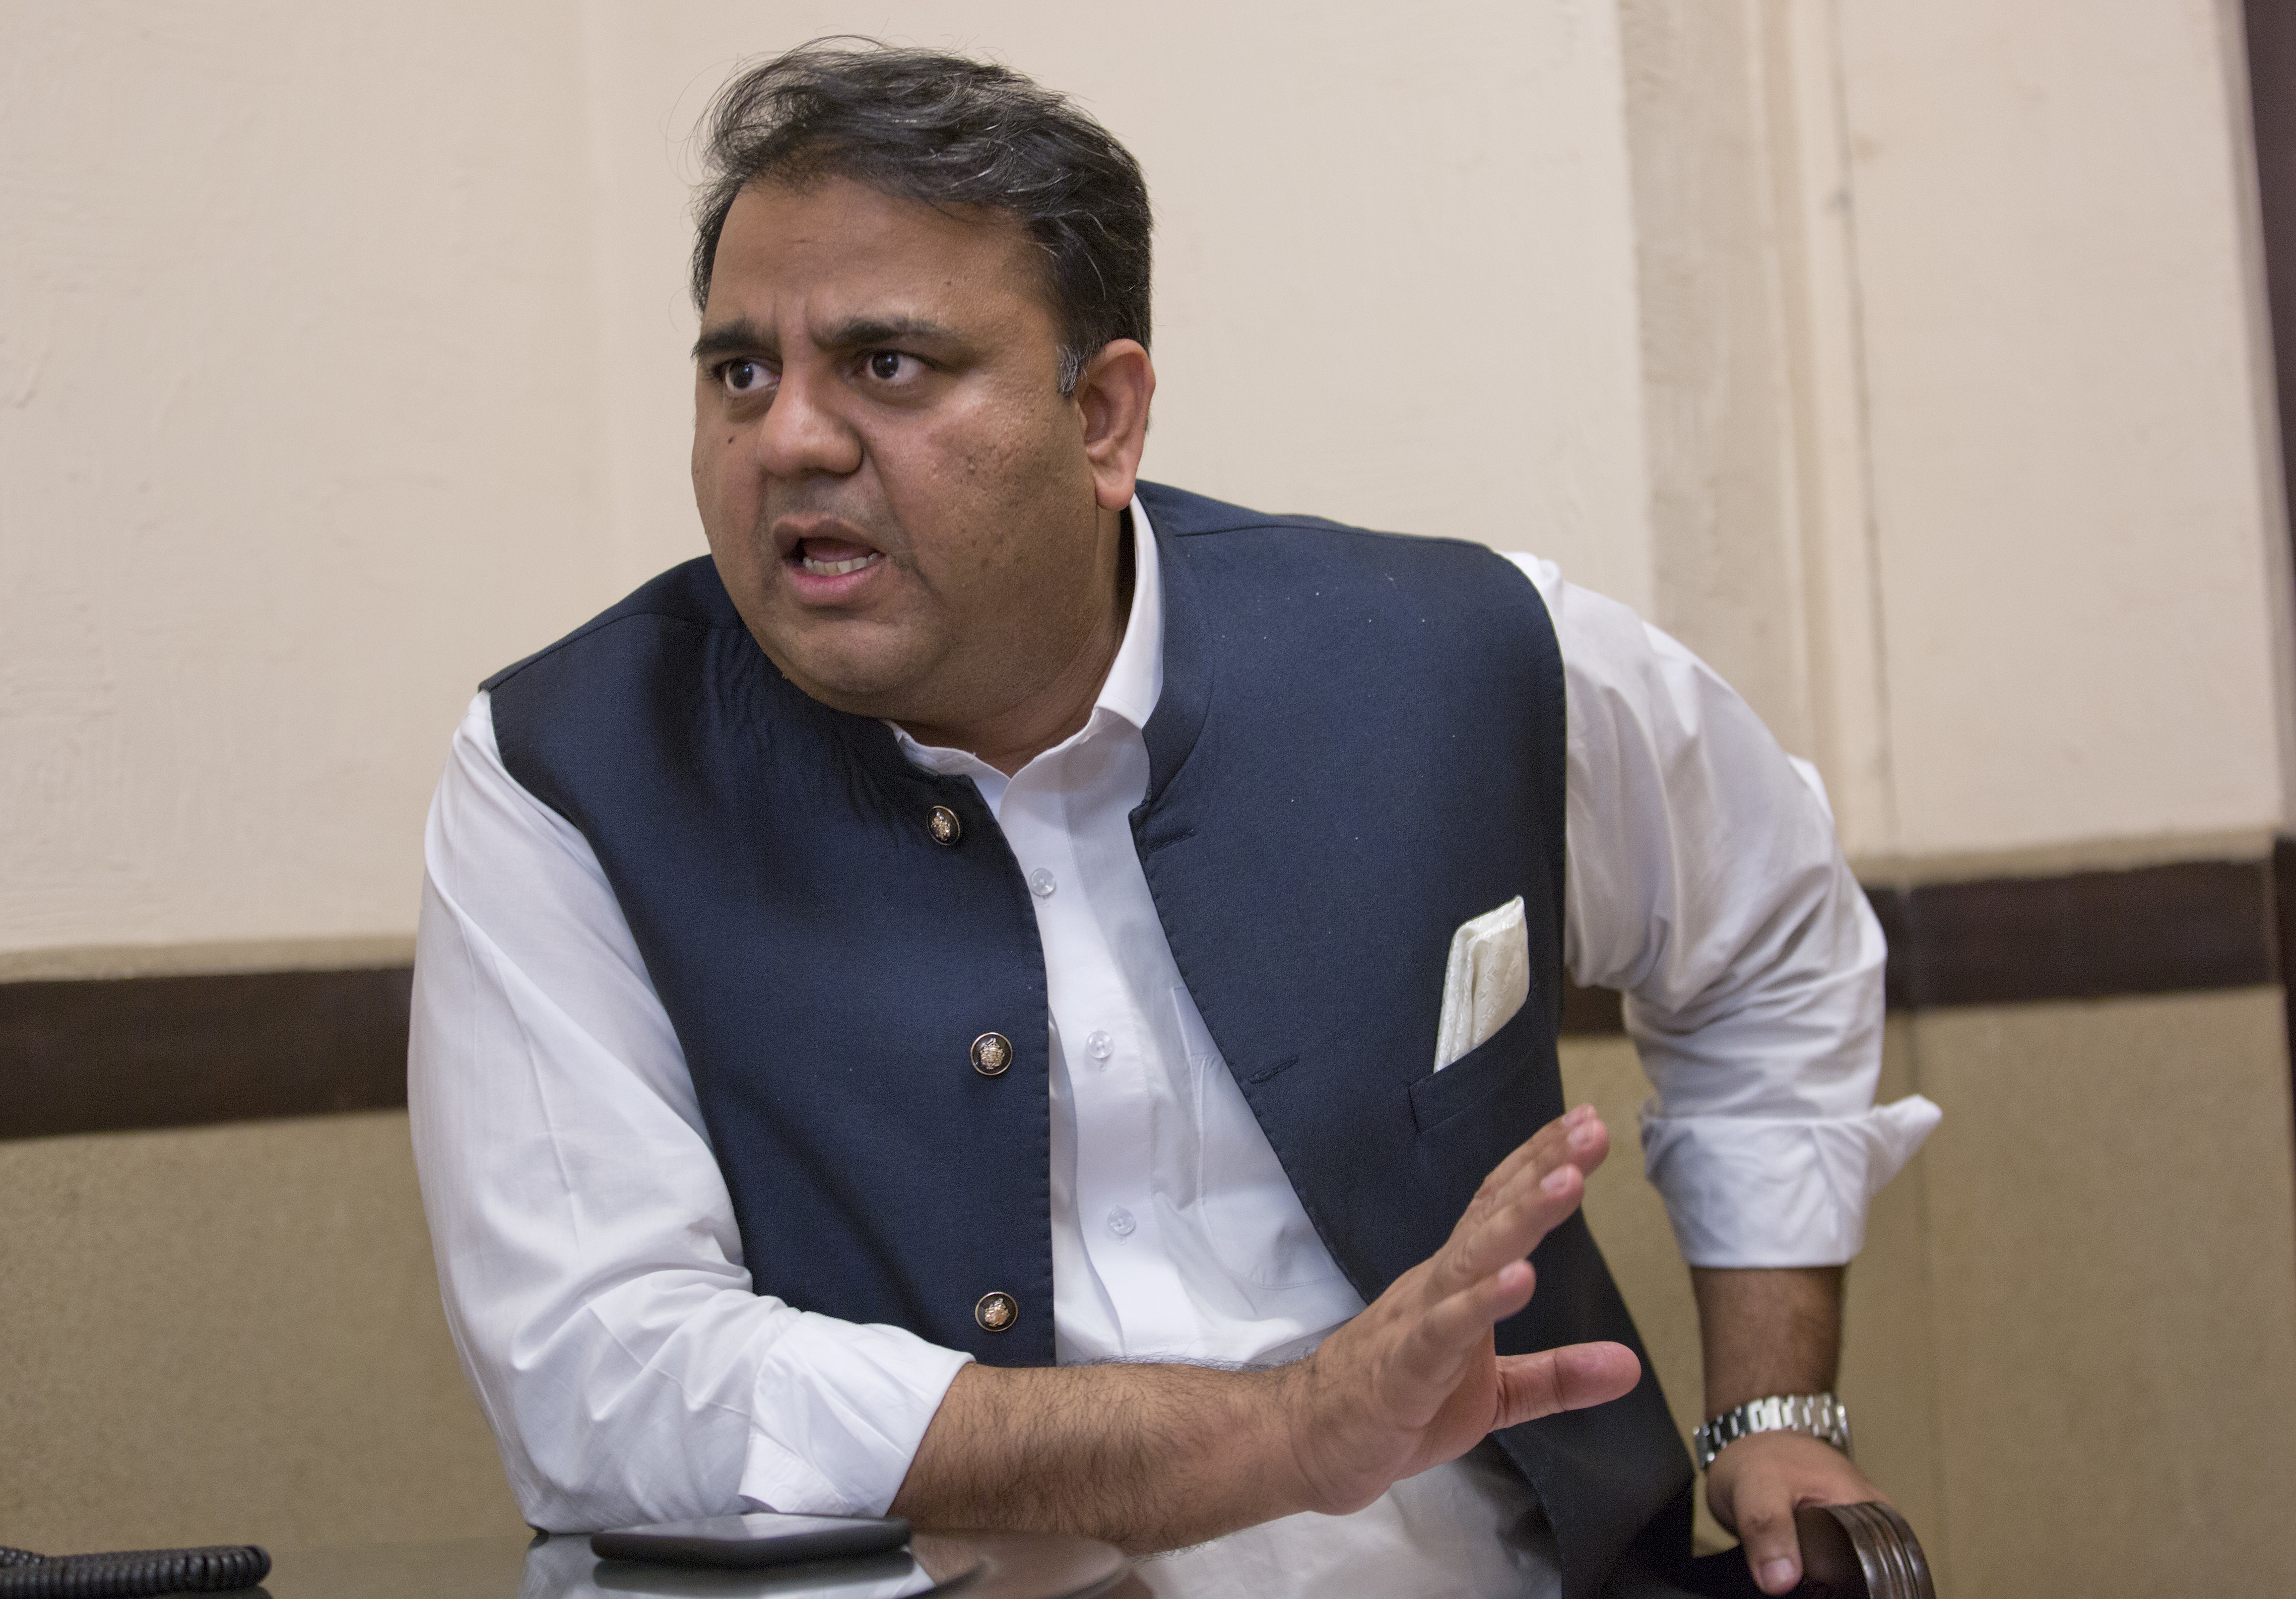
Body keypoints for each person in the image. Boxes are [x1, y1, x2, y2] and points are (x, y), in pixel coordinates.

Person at [408, 40, 1937, 1599]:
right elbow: (609, 1376)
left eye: (887, 365)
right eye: (741, 372)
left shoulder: (1453, 655)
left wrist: (1772, 1410)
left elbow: (1769, 933)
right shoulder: (564, 773)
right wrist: (1278, 1436)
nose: (790, 438)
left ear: (1103, 416)